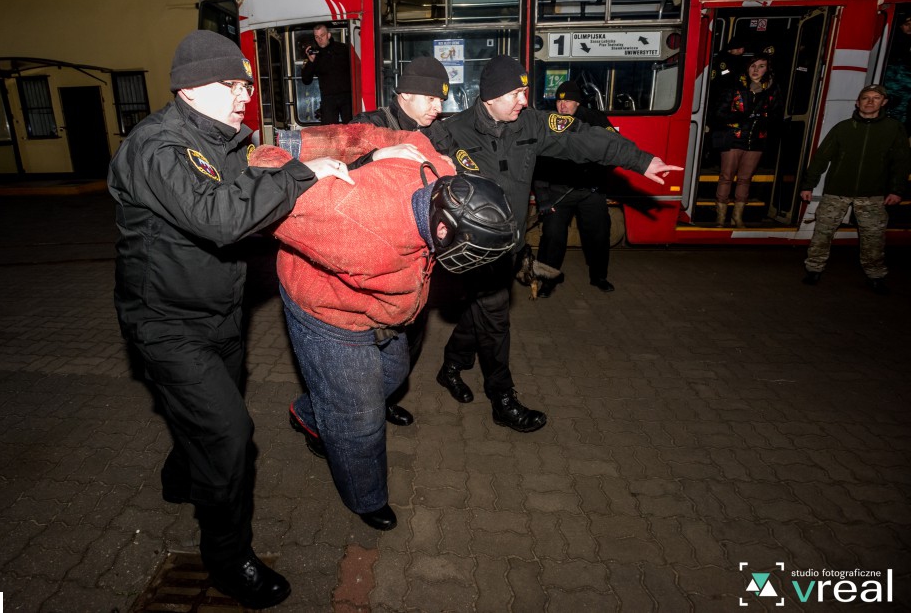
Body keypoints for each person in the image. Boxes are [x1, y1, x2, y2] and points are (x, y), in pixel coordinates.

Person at [108, 30, 355, 610]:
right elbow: (222, 219)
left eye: (246, 82)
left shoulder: (222, 140)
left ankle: (182, 476)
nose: (245, 93)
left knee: (204, 413)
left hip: (219, 312)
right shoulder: (158, 147)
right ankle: (228, 559)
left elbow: (248, 191)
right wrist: (303, 175)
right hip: (166, 322)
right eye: (232, 83)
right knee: (230, 433)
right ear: (190, 89)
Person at [247, 125, 518, 531]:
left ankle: (312, 412)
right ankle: (365, 496)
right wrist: (282, 151)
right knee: (359, 420)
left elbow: (389, 135)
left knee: (391, 375)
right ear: (443, 229)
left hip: (387, 313)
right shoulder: (347, 219)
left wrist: (376, 150)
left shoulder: (439, 171)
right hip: (329, 313)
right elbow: (265, 190)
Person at [436, 55, 683, 432]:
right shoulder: (453, 132)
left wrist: (639, 160)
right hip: (474, 253)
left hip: (511, 246)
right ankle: (502, 399)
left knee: (480, 315)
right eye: (516, 93)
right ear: (490, 96)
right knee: (495, 318)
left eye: (525, 92)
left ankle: (451, 366)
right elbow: (408, 164)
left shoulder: (530, 123)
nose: (524, 100)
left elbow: (582, 136)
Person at [351, 54, 453, 427]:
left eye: (442, 100)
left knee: (411, 332)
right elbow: (333, 168)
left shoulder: (436, 131)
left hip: (418, 254)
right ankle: (354, 407)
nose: (437, 108)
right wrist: (377, 154)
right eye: (431, 99)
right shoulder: (371, 124)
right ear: (406, 94)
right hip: (377, 252)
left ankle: (387, 395)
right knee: (372, 340)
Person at [799, 84, 911, 295]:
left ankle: (875, 275)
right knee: (822, 233)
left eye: (876, 98)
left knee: (873, 238)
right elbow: (821, 157)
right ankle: (814, 269)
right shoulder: (843, 128)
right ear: (857, 102)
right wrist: (808, 185)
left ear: (883, 102)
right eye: (865, 98)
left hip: (873, 194)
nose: (870, 102)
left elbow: (901, 163)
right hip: (837, 192)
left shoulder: (893, 129)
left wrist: (897, 190)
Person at [531, 80, 618, 297]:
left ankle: (599, 277)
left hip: (590, 191)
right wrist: (543, 199)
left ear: (577, 103)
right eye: (559, 101)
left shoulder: (594, 119)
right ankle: (547, 282)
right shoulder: (549, 122)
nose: (563, 105)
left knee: (599, 235)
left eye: (568, 100)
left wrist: (596, 168)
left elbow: (616, 147)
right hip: (559, 192)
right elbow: (537, 164)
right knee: (552, 237)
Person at [711, 54, 784, 227]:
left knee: (745, 179)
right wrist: (739, 116)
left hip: (756, 140)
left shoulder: (772, 90)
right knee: (726, 177)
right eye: (753, 66)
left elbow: (777, 116)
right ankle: (720, 218)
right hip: (733, 139)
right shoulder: (734, 87)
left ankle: (738, 217)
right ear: (747, 68)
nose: (756, 70)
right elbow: (718, 113)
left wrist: (762, 120)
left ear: (767, 69)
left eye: (761, 66)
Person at [301, 23, 353, 124]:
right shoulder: (314, 54)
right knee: (329, 133)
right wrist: (311, 62)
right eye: (317, 37)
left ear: (328, 35)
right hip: (328, 99)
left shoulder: (343, 49)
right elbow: (306, 80)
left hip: (347, 97)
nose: (320, 39)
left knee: (351, 129)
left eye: (322, 35)